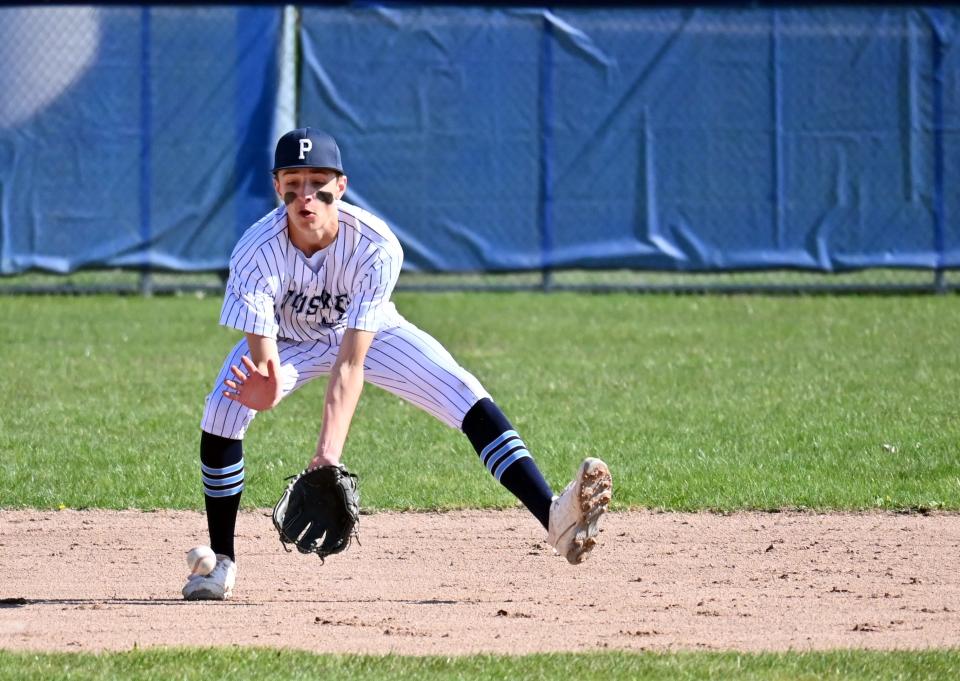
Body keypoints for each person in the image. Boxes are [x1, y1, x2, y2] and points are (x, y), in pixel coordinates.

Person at [182, 127, 613, 601]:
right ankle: (222, 562)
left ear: (340, 187)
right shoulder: (255, 252)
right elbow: (262, 358)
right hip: (289, 339)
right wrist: (264, 386)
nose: (306, 194)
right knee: (222, 413)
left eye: (318, 181)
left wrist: (328, 455)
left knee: (463, 393)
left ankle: (553, 517)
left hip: (368, 332)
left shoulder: (374, 244)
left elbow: (350, 363)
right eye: (293, 181)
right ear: (277, 185)